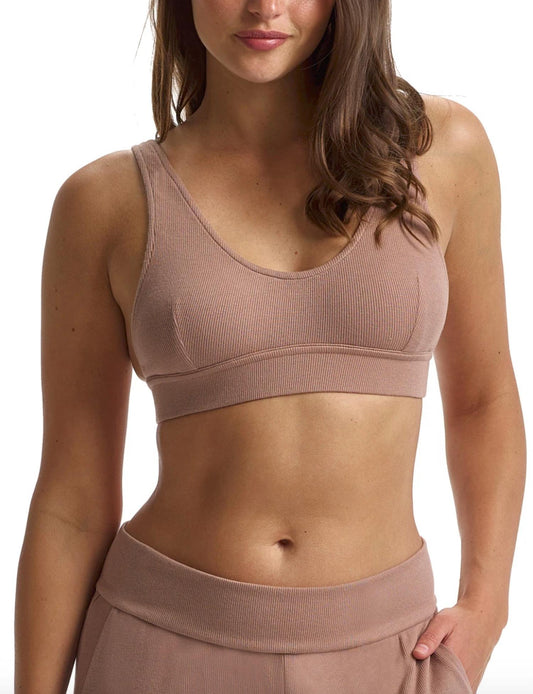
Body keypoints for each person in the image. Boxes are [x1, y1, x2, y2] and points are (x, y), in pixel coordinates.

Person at [14, 0, 526, 692]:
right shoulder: (105, 202)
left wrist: (487, 604)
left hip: (390, 652)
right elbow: (72, 498)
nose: (264, 6)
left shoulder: (442, 152)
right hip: (160, 644)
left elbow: (482, 399)